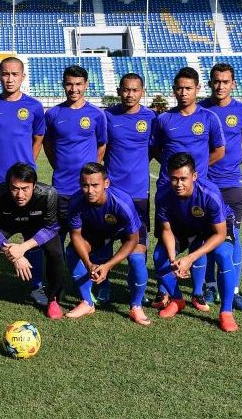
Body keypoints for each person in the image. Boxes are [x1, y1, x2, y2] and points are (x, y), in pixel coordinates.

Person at [149, 66, 225, 312]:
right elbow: (156, 150)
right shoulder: (163, 120)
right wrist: (175, 174)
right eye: (179, 88)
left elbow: (218, 151)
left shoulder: (208, 118)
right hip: (168, 190)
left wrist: (194, 175)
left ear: (197, 89)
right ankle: (164, 292)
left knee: (198, 241)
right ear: (174, 90)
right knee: (165, 240)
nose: (183, 92)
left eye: (188, 88)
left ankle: (198, 292)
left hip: (196, 193)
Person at [0, 57, 48, 305]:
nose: (9, 79)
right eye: (5, 74)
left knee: (35, 231)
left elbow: (38, 139)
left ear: (23, 76)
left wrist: (27, 166)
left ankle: (38, 286)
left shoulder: (35, 107)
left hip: (27, 185)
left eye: (14, 74)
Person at [153, 153, 240, 333]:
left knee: (223, 255)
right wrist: (173, 260)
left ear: (194, 176)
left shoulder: (210, 193)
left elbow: (220, 233)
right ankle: (177, 300)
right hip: (183, 225)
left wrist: (190, 258)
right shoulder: (163, 195)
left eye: (183, 179)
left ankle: (226, 312)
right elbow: (167, 230)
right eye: (174, 179)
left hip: (214, 228)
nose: (178, 184)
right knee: (159, 256)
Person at [44, 64, 108, 304]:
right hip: (60, 189)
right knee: (56, 241)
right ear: (63, 85)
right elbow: (48, 146)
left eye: (79, 84)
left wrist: (91, 176)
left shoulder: (96, 115)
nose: (74, 89)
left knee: (92, 240)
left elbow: (101, 146)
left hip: (87, 192)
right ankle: (57, 287)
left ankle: (97, 285)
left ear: (86, 85)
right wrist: (60, 167)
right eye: (70, 84)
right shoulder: (53, 114)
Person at [199, 63, 242, 311]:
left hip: (231, 185)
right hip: (204, 184)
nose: (220, 86)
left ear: (234, 84)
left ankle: (233, 290)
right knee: (206, 237)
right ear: (210, 83)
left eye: (225, 81)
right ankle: (210, 286)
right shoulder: (200, 110)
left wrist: (230, 165)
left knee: (234, 238)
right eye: (216, 81)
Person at [66, 163, 150, 325]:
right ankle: (87, 303)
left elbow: (133, 239)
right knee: (71, 252)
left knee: (137, 260)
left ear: (106, 184)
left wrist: (108, 266)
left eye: (95, 185)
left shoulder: (121, 202)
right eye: (85, 185)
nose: (90, 191)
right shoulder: (76, 202)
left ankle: (136, 306)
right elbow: (75, 235)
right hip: (98, 231)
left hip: (128, 232)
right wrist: (89, 264)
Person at [0, 163, 63, 320]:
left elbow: (51, 228)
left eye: (25, 188)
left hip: (35, 226)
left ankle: (53, 299)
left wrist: (23, 247)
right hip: (6, 225)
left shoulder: (49, 193)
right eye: (15, 188)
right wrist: (15, 255)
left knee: (55, 251)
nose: (20, 194)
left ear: (34, 185)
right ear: (8, 185)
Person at [103, 73, 156, 308]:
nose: (130, 94)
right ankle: (102, 287)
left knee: (137, 247)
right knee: (104, 241)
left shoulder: (151, 118)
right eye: (126, 89)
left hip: (138, 195)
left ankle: (137, 290)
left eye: (135, 90)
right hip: (112, 193)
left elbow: (155, 149)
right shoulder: (108, 116)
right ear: (118, 90)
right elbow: (102, 149)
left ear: (141, 92)